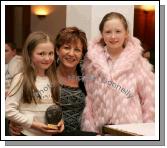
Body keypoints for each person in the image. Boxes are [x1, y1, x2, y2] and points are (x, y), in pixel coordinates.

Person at [8, 27, 97, 136]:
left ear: (82, 54)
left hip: (79, 134)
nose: (71, 53)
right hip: (46, 134)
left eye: (77, 50)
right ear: (57, 50)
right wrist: (14, 122)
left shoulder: (87, 77)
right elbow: (19, 104)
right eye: (66, 47)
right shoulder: (46, 72)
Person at [81, 12, 155, 134]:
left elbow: (149, 101)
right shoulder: (91, 62)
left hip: (130, 130)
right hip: (100, 130)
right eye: (108, 32)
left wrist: (147, 132)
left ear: (126, 33)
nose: (113, 36)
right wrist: (90, 131)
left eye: (118, 31)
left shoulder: (139, 63)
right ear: (102, 34)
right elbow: (89, 98)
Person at [5, 31, 64, 136]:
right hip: (26, 135)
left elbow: (53, 107)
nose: (47, 58)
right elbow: (8, 110)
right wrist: (32, 124)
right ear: (29, 54)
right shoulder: (21, 78)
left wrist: (60, 121)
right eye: (41, 54)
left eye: (50, 53)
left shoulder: (53, 79)